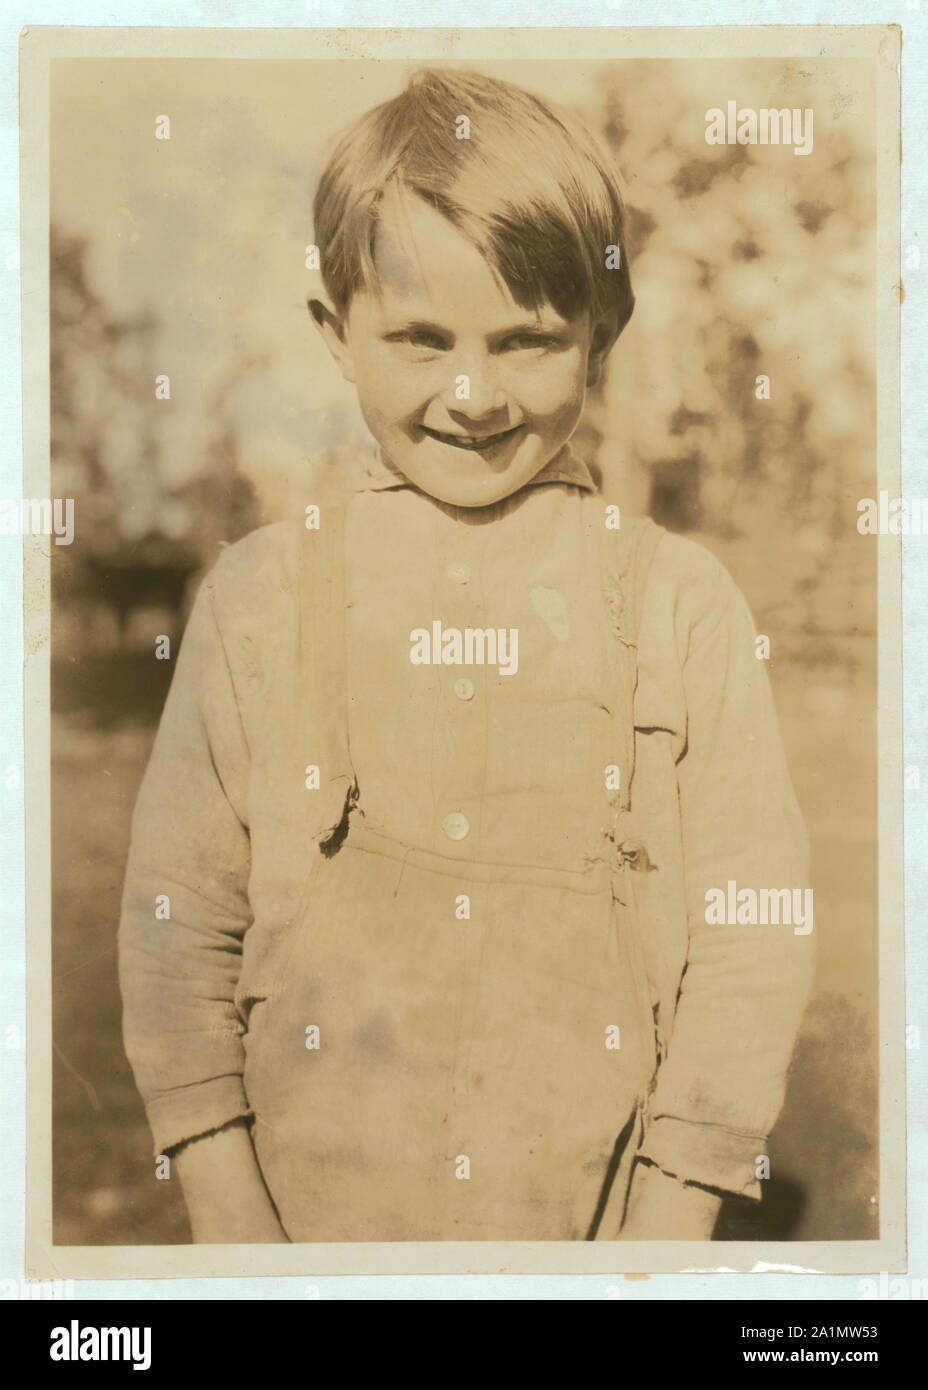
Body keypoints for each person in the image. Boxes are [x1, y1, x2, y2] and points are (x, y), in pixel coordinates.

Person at [118, 67, 814, 1243]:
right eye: (420, 337)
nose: (472, 393)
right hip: (302, 1239)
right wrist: (230, 1214)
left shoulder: (681, 605)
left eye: (527, 341)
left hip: (594, 1243)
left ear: (601, 340)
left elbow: (754, 931)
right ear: (336, 334)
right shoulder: (256, 601)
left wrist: (671, 1215)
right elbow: (176, 924)